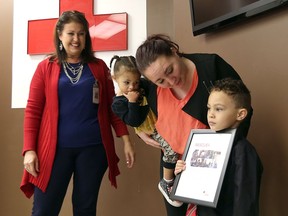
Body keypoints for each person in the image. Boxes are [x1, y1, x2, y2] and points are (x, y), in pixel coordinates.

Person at [20, 10, 135, 216]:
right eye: (71, 33)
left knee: (85, 210)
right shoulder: (45, 68)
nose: (76, 39)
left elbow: (112, 108)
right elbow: (33, 111)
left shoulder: (98, 67)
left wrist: (126, 140)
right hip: (53, 153)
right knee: (44, 210)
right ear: (60, 35)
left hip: (92, 150)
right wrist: (29, 150)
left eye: (81, 34)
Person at [135, 34, 253, 215]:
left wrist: (228, 152)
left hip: (213, 166)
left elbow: (243, 109)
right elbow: (127, 104)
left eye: (169, 70)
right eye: (160, 81)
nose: (171, 81)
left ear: (174, 51)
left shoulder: (211, 67)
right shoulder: (150, 89)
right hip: (174, 170)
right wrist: (139, 130)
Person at [175, 78, 263, 216]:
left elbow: (245, 203)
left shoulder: (243, 151)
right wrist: (184, 174)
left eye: (219, 109)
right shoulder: (203, 143)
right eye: (209, 108)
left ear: (240, 114)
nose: (211, 114)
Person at [110, 55, 182, 207]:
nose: (132, 87)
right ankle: (166, 182)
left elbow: (152, 86)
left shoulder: (141, 85)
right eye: (127, 82)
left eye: (136, 81)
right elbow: (134, 120)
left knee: (177, 146)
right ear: (115, 78)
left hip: (163, 122)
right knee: (170, 150)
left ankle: (175, 176)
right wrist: (132, 102)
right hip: (152, 129)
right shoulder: (118, 103)